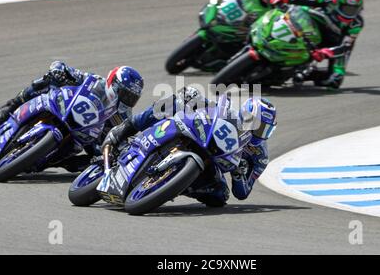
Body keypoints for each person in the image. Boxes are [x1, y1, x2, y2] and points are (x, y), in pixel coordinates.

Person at [102, 87, 277, 207]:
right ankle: (126, 128)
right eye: (257, 124)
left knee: (220, 197)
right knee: (174, 102)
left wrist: (239, 175)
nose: (258, 131)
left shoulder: (260, 157)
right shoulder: (229, 112)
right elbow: (210, 107)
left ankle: (173, 185)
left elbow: (242, 193)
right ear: (245, 114)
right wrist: (194, 98)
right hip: (199, 137)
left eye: (265, 129)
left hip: (213, 165)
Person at [0, 61, 144, 171]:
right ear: (113, 83)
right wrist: (59, 71)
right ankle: (11, 106)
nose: (127, 100)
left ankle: (53, 161)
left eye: (131, 98)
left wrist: (119, 145)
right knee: (46, 81)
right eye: (125, 94)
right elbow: (61, 66)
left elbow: (123, 134)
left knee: (93, 159)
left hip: (86, 135)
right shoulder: (94, 81)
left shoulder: (123, 115)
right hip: (64, 109)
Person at [270, 0, 364, 89]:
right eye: (346, 8)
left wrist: (327, 52)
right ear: (337, 2)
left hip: (334, 45)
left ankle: (301, 71)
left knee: (334, 81)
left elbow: (346, 45)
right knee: (278, 9)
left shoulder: (356, 23)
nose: (350, 13)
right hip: (311, 28)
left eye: (354, 9)